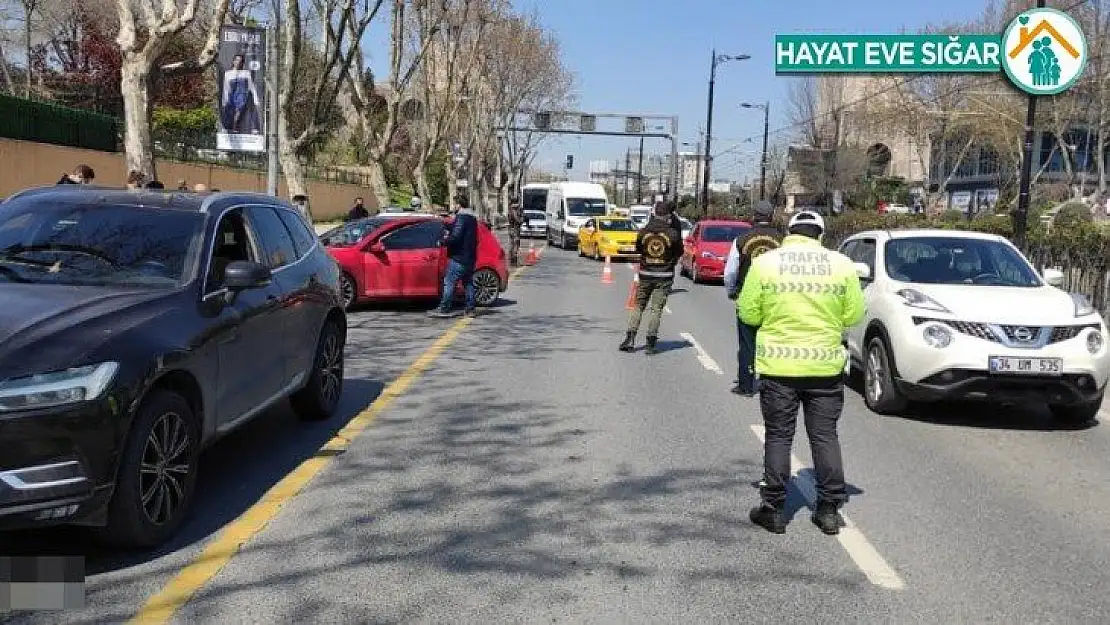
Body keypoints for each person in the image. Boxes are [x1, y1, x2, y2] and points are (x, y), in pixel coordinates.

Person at [738, 210, 866, 535]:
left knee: (779, 436)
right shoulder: (841, 266)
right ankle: (828, 509)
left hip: (779, 367)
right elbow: (853, 314)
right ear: (820, 235)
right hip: (824, 367)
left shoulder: (766, 263)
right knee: (824, 436)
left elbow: (749, 313)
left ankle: (774, 509)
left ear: (789, 232)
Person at [723, 200, 782, 396]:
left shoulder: (741, 239)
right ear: (772, 217)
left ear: (754, 216)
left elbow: (731, 271)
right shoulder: (782, 241)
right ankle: (771, 383)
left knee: (748, 344)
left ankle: (746, 385)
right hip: (776, 299)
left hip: (747, 298)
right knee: (773, 342)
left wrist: (731, 291)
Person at [619, 201, 682, 355]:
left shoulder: (643, 232)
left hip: (646, 273)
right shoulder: (672, 234)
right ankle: (650, 343)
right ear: (668, 216)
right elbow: (679, 252)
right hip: (664, 275)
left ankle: (630, 338)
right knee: (656, 309)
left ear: (654, 213)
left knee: (639, 305)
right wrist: (670, 262)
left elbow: (638, 249)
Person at [429, 194, 479, 318]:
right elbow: (461, 230)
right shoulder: (472, 218)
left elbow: (456, 236)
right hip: (470, 257)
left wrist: (442, 242)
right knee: (468, 283)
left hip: (459, 257)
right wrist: (447, 224)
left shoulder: (461, 218)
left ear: (459, 204)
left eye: (454, 204)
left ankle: (444, 308)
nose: (453, 206)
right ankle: (470, 309)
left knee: (449, 282)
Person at [220, 54, 262, 134]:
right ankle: (230, 129)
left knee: (249, 110)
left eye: (240, 61)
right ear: (233, 61)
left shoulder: (246, 73)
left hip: (244, 97)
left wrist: (256, 99)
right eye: (236, 60)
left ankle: (254, 129)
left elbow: (251, 86)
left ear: (242, 63)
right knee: (231, 113)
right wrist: (224, 101)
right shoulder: (228, 74)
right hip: (233, 97)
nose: (238, 62)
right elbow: (226, 88)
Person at [507, 200, 523, 266]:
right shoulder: (514, 211)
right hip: (514, 230)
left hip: (512, 230)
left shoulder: (510, 210)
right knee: (515, 245)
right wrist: (521, 220)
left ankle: (512, 260)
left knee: (512, 245)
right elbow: (518, 220)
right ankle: (514, 260)